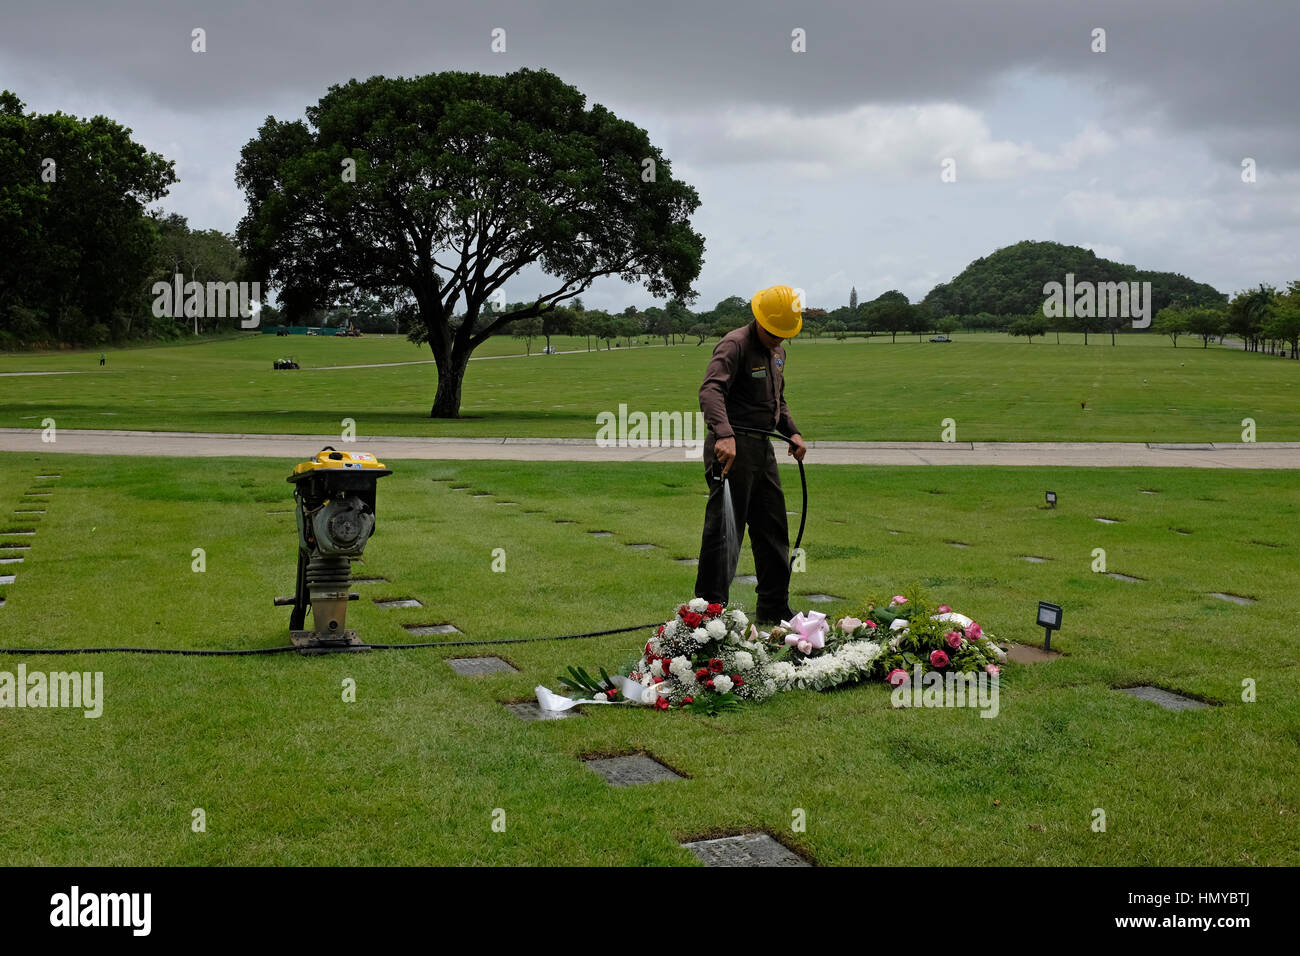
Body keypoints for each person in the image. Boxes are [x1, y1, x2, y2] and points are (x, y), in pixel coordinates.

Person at [694, 285, 807, 623]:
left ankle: (773, 609)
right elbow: (710, 390)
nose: (778, 338)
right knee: (725, 532)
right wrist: (724, 434)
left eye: (784, 334)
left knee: (773, 530)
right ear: (759, 320)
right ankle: (709, 616)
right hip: (731, 451)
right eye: (774, 332)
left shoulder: (778, 353)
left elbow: (777, 401)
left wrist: (793, 431)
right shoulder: (735, 345)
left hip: (762, 449)